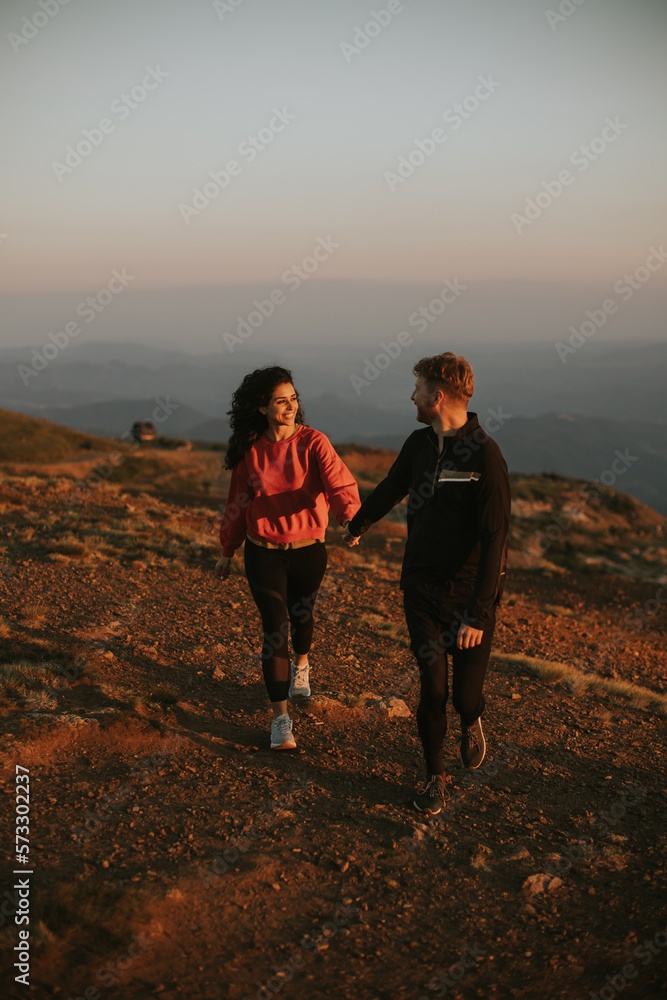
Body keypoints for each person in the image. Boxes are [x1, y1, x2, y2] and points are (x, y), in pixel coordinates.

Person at [342, 353, 511, 814]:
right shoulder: (418, 444)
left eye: (416, 389)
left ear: (437, 397)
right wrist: (360, 524)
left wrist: (479, 611)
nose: (410, 396)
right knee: (432, 690)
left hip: (469, 596)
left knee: (463, 696)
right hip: (420, 589)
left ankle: (472, 718)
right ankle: (434, 778)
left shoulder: (485, 456)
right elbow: (392, 486)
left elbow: (495, 539)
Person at [214, 366, 360, 750]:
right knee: (275, 625)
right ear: (262, 407)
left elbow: (339, 482)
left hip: (309, 550)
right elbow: (237, 503)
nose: (291, 407)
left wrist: (349, 518)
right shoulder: (251, 452)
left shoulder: (314, 443)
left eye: (294, 399)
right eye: (281, 401)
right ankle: (280, 719)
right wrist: (228, 550)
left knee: (301, 616)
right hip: (263, 553)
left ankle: (304, 662)